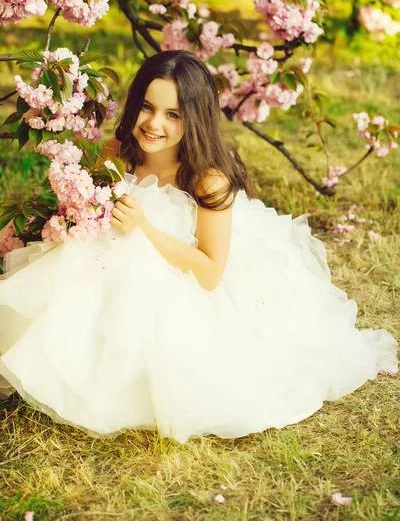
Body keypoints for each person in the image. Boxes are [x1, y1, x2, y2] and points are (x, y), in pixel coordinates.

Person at [0, 50, 397, 444]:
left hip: (189, 272)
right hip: (118, 254)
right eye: (147, 107)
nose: (154, 124)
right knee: (74, 269)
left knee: (139, 299)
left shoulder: (208, 179)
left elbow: (209, 274)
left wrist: (144, 229)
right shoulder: (117, 153)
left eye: (172, 115)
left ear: (195, 118)